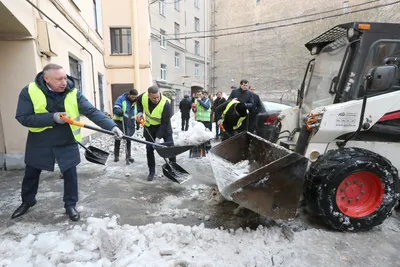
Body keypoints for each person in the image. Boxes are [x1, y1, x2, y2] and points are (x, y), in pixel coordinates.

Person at [12, 63, 123, 221]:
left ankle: (70, 205)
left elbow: (91, 111)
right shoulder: (29, 91)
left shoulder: (73, 92)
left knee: (70, 173)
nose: (64, 82)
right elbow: (23, 117)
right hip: (40, 141)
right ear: (46, 79)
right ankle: (27, 201)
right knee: (31, 173)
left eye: (65, 77)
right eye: (59, 79)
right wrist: (52, 117)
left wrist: (112, 126)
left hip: (66, 139)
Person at [136, 85, 176, 181]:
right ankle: (151, 171)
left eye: (158, 97)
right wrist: (140, 112)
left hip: (164, 127)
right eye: (154, 98)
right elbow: (138, 100)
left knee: (171, 149)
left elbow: (165, 123)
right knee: (149, 150)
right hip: (150, 127)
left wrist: (158, 138)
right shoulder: (144, 97)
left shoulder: (166, 104)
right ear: (149, 95)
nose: (156, 99)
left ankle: (173, 170)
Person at [113, 89, 138, 164]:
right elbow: (116, 107)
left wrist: (137, 122)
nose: (134, 98)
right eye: (133, 97)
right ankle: (116, 156)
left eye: (135, 97)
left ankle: (128, 156)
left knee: (128, 138)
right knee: (118, 137)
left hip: (130, 122)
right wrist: (118, 111)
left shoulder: (136, 101)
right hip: (120, 121)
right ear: (129, 95)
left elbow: (137, 111)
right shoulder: (121, 99)